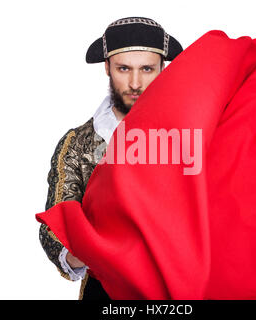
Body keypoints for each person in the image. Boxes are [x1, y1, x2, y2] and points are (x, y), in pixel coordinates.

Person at [38, 16, 183, 300]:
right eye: (124, 68)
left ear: (162, 69)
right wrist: (93, 250)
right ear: (107, 67)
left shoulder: (190, 135)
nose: (135, 82)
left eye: (147, 69)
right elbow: (54, 226)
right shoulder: (77, 143)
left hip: (176, 287)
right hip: (106, 289)